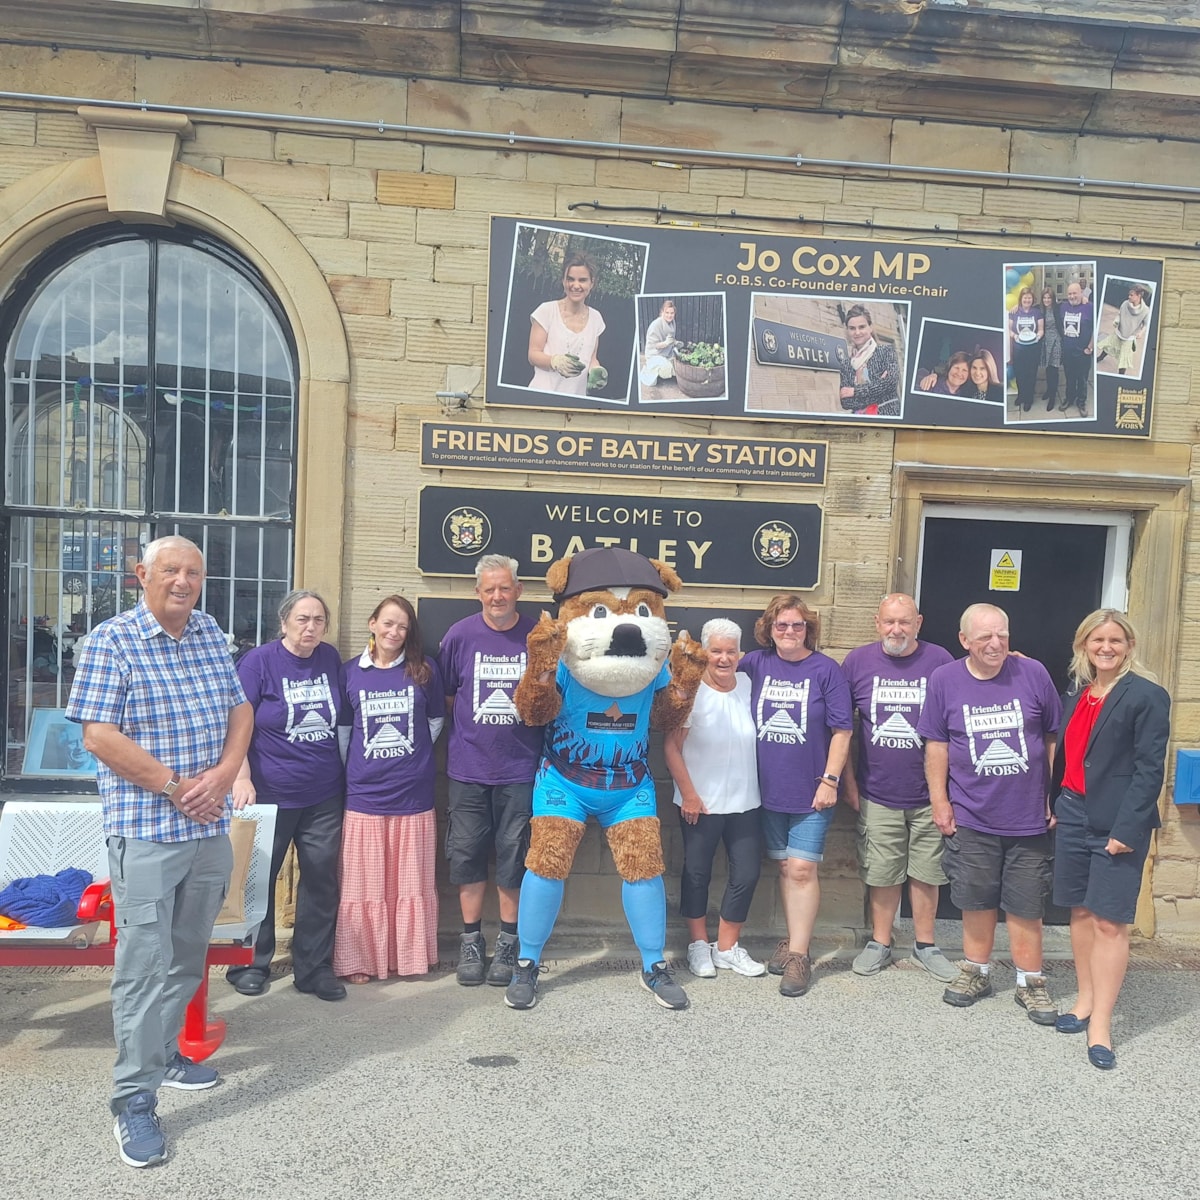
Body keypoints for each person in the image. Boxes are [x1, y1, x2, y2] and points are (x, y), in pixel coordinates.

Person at [67, 535, 252, 1168]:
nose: (183, 581)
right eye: (170, 570)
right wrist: (176, 788)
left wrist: (226, 775)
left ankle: (166, 1052)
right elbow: (98, 735)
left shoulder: (207, 631)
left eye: (194, 572)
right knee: (142, 970)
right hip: (147, 829)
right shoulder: (109, 642)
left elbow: (239, 709)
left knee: (186, 959)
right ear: (141, 574)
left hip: (207, 830)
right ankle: (132, 1100)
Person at [918, 603, 1062, 1024]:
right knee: (975, 896)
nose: (995, 643)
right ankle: (975, 971)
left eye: (1002, 634)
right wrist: (940, 802)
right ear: (964, 641)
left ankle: (1031, 982)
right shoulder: (945, 679)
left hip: (1027, 815)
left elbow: (1052, 736)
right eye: (984, 637)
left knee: (1026, 901)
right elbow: (937, 745)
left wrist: (1051, 794)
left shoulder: (1033, 673)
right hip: (972, 814)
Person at [1050, 610, 1170, 1070]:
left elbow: (1148, 770)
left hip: (1118, 822)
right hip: (1074, 811)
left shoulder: (1146, 696)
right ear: (1083, 645)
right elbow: (1066, 755)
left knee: (1110, 921)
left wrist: (1126, 828)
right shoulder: (1079, 695)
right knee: (1079, 910)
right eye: (1096, 639)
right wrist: (1055, 801)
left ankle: (1101, 1023)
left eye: (1115, 640)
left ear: (1129, 645)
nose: (1106, 647)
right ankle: (1083, 1001)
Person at [226, 589, 346, 1002]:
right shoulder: (259, 662)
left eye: (317, 620)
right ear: (284, 623)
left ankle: (313, 968)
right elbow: (237, 723)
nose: (310, 627)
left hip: (323, 793)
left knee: (320, 880)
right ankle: (249, 962)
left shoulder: (329, 659)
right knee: (257, 880)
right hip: (267, 793)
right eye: (302, 619)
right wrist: (240, 776)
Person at [739, 594, 852, 997]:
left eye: (797, 625)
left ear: (809, 629)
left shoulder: (826, 670)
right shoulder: (752, 664)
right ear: (769, 629)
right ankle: (791, 940)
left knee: (803, 869)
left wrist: (830, 779)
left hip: (811, 790)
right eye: (781, 625)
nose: (789, 632)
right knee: (785, 868)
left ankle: (800, 955)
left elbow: (842, 730)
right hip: (762, 788)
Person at [841, 595, 957, 982]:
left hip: (930, 795)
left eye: (905, 623)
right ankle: (880, 941)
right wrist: (850, 784)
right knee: (882, 872)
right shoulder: (857, 663)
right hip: (878, 792)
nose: (897, 630)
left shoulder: (941, 661)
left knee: (927, 873)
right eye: (890, 622)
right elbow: (844, 729)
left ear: (918, 623)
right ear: (877, 623)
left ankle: (926, 945)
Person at [439, 554, 542, 987]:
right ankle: (471, 941)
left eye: (505, 588)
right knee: (466, 857)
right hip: (467, 769)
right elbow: (447, 696)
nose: (497, 596)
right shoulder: (459, 636)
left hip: (520, 769)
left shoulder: (537, 636)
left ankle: (508, 942)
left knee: (514, 859)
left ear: (518, 590)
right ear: (478, 593)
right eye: (488, 589)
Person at [334, 596, 445, 982]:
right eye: (388, 623)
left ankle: (408, 958)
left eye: (402, 626)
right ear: (372, 623)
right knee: (365, 884)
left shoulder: (424, 671)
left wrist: (409, 759)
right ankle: (361, 961)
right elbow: (344, 734)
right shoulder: (351, 672)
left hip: (413, 795)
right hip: (365, 796)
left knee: (408, 882)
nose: (394, 632)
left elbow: (434, 723)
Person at [664, 618, 764, 979]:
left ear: (741, 654)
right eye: (716, 651)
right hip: (700, 803)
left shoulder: (749, 685)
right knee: (696, 873)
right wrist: (689, 795)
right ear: (704, 652)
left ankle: (726, 947)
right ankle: (697, 945)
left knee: (747, 874)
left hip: (745, 801)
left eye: (731, 651)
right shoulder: (690, 692)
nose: (724, 659)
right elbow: (672, 748)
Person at [527, 251, 607, 396]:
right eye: (570, 279)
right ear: (563, 281)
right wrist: (555, 361)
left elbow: (592, 358)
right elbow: (533, 355)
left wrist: (596, 370)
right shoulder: (546, 310)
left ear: (592, 283)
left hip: (576, 400)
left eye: (582, 280)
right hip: (542, 395)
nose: (576, 285)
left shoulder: (596, 318)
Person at [838, 305, 901, 416]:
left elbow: (891, 383)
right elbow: (846, 402)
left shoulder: (885, 351)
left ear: (870, 327)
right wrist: (879, 387)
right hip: (862, 423)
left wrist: (855, 391)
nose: (857, 332)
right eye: (852, 328)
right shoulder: (846, 364)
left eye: (861, 327)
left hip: (888, 417)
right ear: (847, 330)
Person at [1096, 284, 1151, 376]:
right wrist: (1116, 320)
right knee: (1109, 347)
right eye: (1129, 294)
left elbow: (1145, 324)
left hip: (1129, 337)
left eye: (1131, 295)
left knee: (1124, 359)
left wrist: (1141, 333)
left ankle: (1121, 376)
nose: (1129, 296)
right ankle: (1100, 358)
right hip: (1119, 332)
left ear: (1139, 296)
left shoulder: (1146, 311)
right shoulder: (1125, 303)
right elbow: (1120, 314)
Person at [1059, 279, 1094, 414]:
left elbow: (1095, 329)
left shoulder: (1090, 307)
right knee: (1069, 377)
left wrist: (1090, 347)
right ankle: (1069, 398)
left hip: (1083, 352)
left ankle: (1081, 402)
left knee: (1082, 379)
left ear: (1081, 293)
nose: (1072, 296)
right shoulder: (1063, 306)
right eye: (1069, 294)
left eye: (1075, 293)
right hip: (1068, 351)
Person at [1008, 287, 1044, 413]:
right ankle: (1021, 396)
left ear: (1032, 299)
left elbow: (1041, 329)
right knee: (1019, 374)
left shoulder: (1037, 312)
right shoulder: (1014, 312)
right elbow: (1009, 329)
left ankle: (1028, 399)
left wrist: (1038, 337)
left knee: (1031, 374)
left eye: (1029, 297)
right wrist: (1015, 336)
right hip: (1018, 349)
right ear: (1021, 299)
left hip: (1033, 349)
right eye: (1025, 298)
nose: (1027, 300)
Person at [641, 298, 679, 384]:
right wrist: (666, 343)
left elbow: (670, 338)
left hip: (667, 354)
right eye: (667, 313)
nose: (669, 315)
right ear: (662, 312)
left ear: (674, 313)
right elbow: (654, 345)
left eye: (672, 313)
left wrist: (675, 342)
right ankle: (648, 370)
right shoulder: (656, 325)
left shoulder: (673, 323)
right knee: (667, 369)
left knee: (679, 366)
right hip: (654, 354)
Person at [1039, 287, 1063, 410]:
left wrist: (1085, 299)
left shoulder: (1058, 308)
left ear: (1053, 298)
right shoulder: (1039, 309)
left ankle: (1053, 397)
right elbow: (1024, 306)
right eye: (1045, 297)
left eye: (1049, 297)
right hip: (1045, 342)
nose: (1047, 300)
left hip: (1056, 341)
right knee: (1048, 369)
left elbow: (1070, 303)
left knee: (1054, 369)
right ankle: (1049, 390)